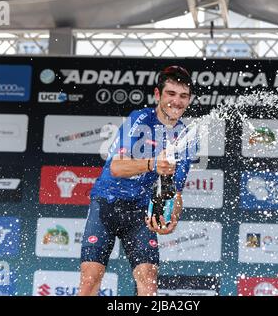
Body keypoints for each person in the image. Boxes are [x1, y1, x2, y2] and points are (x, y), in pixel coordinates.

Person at [78, 65, 194, 296]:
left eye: (183, 96)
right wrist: (152, 164)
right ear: (158, 95)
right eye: (171, 94)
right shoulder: (140, 119)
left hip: (140, 212)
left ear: (189, 100)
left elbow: (176, 191)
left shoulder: (187, 138)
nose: (177, 102)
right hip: (107, 205)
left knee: (149, 280)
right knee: (90, 279)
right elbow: (116, 167)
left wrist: (173, 216)